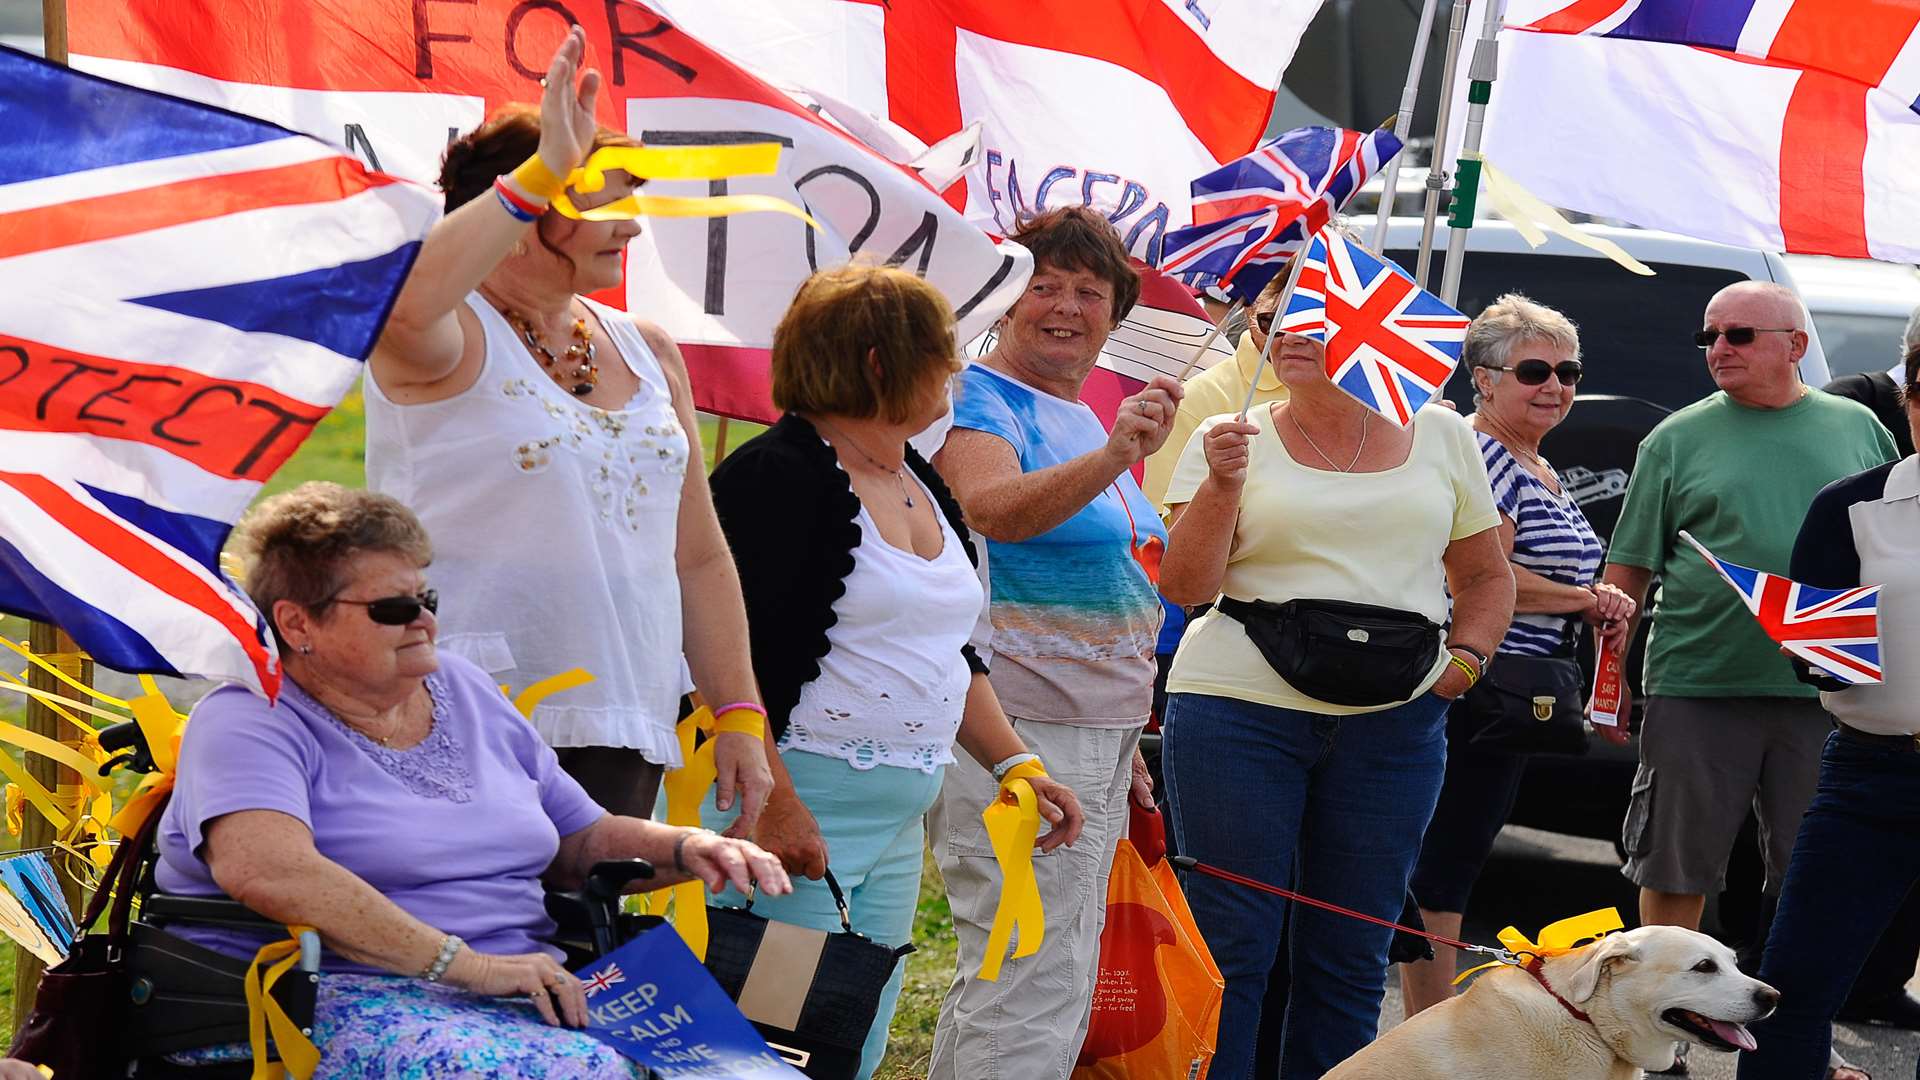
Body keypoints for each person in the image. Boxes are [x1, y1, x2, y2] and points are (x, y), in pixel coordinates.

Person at [154, 482, 791, 1076]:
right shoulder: (249, 716)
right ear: (298, 624)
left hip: (525, 984)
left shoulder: (462, 687)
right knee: (576, 1071)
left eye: (426, 600)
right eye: (394, 608)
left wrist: (689, 847)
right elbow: (268, 870)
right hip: (315, 994)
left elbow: (582, 841)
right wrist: (468, 966)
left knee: (733, 1069)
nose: (424, 621)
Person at [362, 27, 771, 824]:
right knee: (479, 946)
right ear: (515, 213)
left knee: (591, 948)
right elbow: (403, 301)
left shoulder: (646, 349)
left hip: (627, 717)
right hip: (461, 711)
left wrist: (740, 715)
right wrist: (541, 170)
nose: (631, 226)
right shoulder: (446, 334)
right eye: (600, 201)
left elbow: (698, 555)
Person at [702, 264, 1086, 1079]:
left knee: (851, 1039)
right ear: (882, 363)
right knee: (770, 1046)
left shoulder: (916, 475)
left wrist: (1016, 762)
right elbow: (733, 661)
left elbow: (952, 648)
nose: (954, 371)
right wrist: (778, 804)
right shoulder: (778, 475)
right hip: (799, 806)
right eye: (941, 354)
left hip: (894, 815)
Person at [1158, 315, 1515, 1078]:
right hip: (1237, 710)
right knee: (1233, 944)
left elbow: (1486, 576)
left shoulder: (1444, 434)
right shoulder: (1228, 435)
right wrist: (1222, 484)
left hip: (1395, 724)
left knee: (1351, 950)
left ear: (1374, 331)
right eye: (1273, 320)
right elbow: (1185, 587)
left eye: (1316, 320)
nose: (1288, 334)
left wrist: (1465, 667)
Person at [1597, 282, 1897, 1071]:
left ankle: (1801, 1044)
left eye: (1737, 334)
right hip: (1698, 683)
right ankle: (1664, 1046)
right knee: (1676, 865)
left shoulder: (1858, 426)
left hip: (1833, 695)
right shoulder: (1675, 437)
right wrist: (1610, 675)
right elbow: (1627, 567)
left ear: (1796, 346)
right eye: (1708, 336)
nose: (1717, 348)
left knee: (1810, 884)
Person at [929, 205, 1180, 1079]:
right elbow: (989, 508)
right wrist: (1116, 456)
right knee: (1026, 970)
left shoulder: (1085, 414)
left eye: (1090, 289)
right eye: (1044, 285)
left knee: (1050, 972)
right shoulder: (977, 395)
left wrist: (1125, 738)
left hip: (1097, 733)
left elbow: (1135, 586)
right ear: (1003, 299)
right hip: (1015, 723)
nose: (1067, 306)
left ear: (1118, 313)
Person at [1399, 294, 1635, 1016]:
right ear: (1485, 378)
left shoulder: (1536, 463)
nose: (1556, 386)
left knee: (1451, 864)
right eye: (1535, 370)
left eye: (1570, 371)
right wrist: (1585, 599)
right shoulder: (1486, 454)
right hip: (1475, 682)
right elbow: (1477, 574)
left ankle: (1426, 1032)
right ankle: (1427, 1039)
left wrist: (1591, 601)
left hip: (1515, 691)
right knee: (1444, 869)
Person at [1738, 345, 1920, 1080]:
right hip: (1872, 773)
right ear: (1908, 401)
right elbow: (1813, 649)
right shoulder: (1850, 505)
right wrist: (1812, 648)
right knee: (1792, 990)